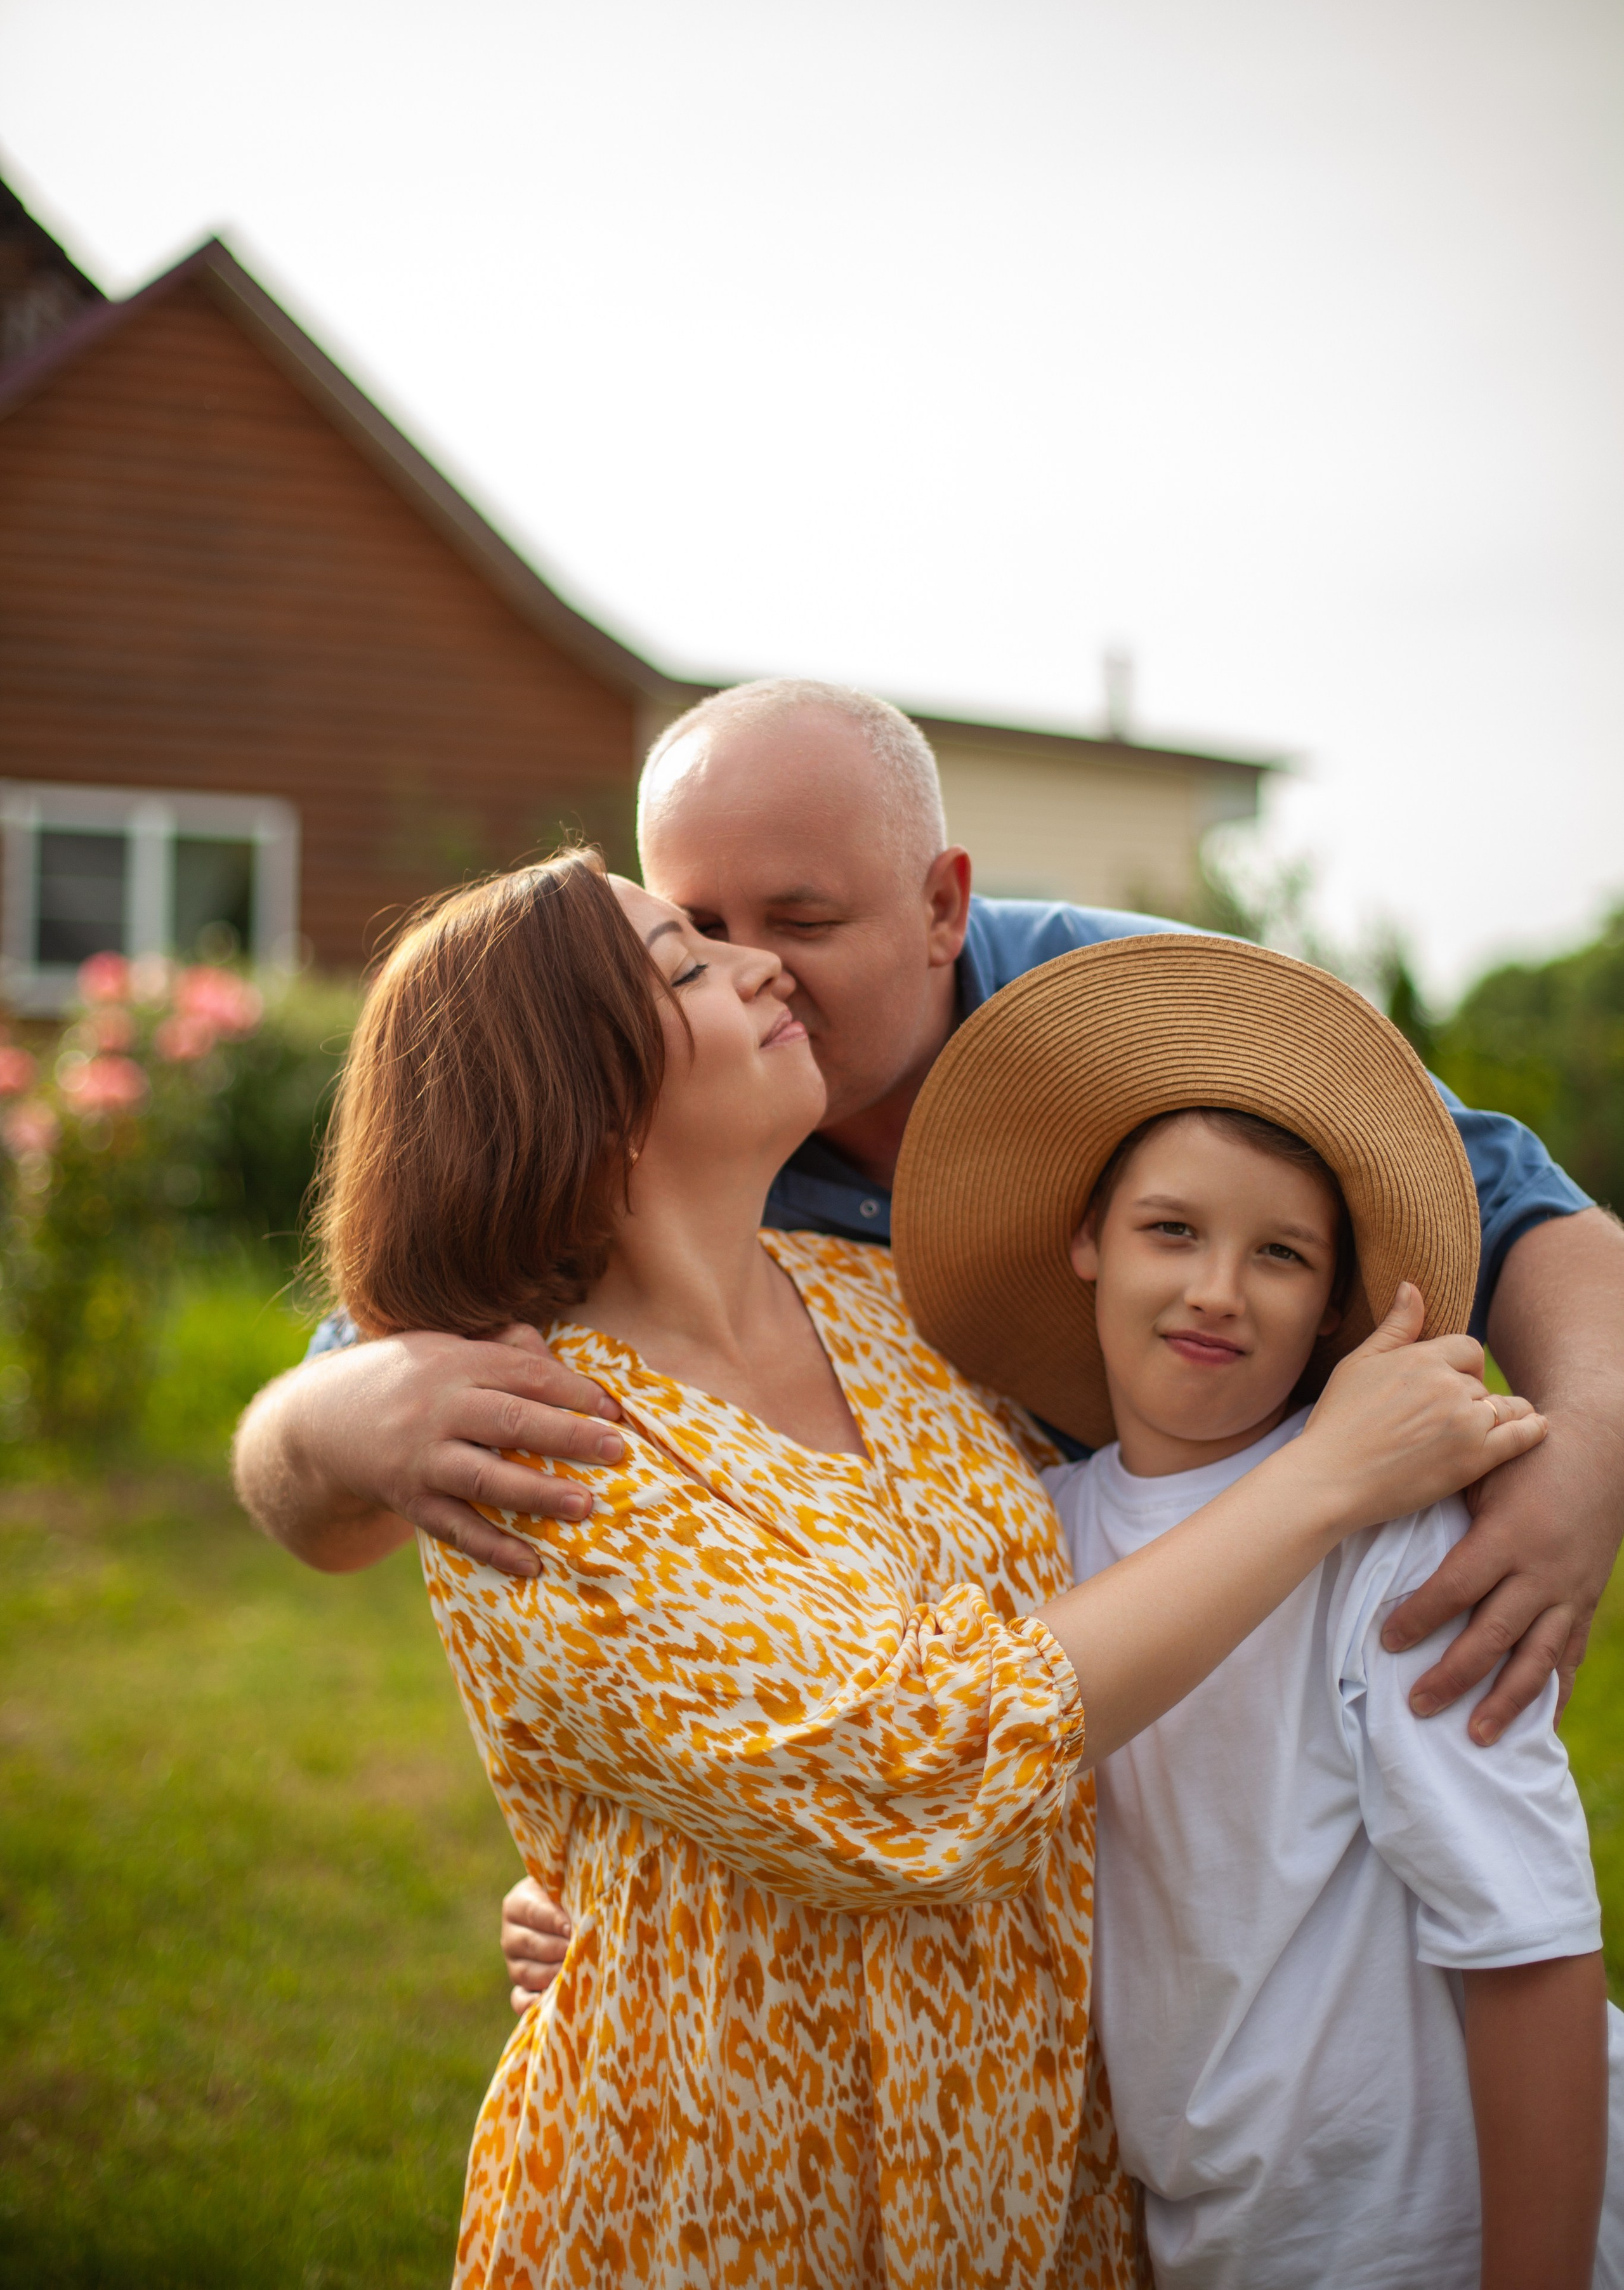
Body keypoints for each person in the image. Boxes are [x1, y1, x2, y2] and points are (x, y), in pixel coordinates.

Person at [232, 678, 1624, 2004]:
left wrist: (1586, 1460)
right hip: (1021, 1794)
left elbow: (1518, 1209)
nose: (751, 967)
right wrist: (328, 1418)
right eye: (693, 924)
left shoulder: (1129, 1021)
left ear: (941, 906)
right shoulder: (678, 1126)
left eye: (800, 918)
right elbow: (345, 1480)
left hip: (1286, 1665)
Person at [308, 849, 1541, 2289]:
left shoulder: (893, 1304)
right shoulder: (532, 1432)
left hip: (1036, 2178)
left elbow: (1141, 1505)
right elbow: (905, 1767)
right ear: (580, 1101)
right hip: (734, 2189)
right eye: (687, 965)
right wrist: (1327, 1480)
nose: (759, 966)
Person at [893, 930, 1623, 2290]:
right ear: (1085, 1243)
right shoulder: (1026, 1529)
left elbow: (1527, 1942)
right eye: (1170, 1229)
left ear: (1332, 1306)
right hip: (1202, 2214)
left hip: (1424, 2217)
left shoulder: (1388, 1541)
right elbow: (877, 1751)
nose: (1217, 1291)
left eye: (1279, 1255)